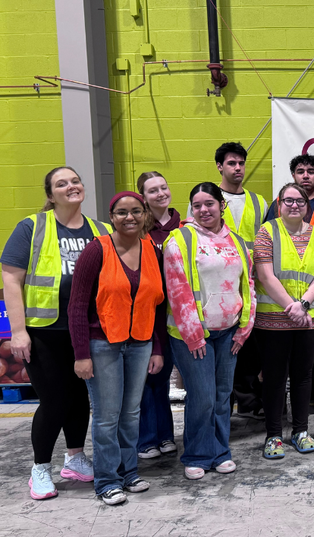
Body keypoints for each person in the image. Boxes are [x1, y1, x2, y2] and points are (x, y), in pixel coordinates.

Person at [1, 167, 112, 500]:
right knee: (54, 400)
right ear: (50, 195)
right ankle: (39, 469)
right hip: (44, 332)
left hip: (85, 331)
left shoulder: (100, 230)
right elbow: (11, 279)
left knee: (80, 399)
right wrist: (18, 331)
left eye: (75, 181)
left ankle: (75, 458)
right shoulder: (32, 227)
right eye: (62, 184)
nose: (71, 186)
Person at [68, 192, 166, 505]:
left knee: (131, 414)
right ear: (112, 216)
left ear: (145, 215)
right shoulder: (96, 250)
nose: (130, 217)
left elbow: (158, 306)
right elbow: (77, 306)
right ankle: (106, 480)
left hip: (140, 343)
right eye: (122, 212)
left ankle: (129, 473)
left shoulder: (152, 249)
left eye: (136, 211)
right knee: (107, 416)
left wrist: (157, 348)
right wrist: (81, 354)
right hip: (103, 344)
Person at [165, 182, 256, 478]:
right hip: (193, 336)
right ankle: (197, 454)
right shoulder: (180, 239)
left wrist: (244, 328)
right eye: (198, 205)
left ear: (222, 206)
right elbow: (178, 291)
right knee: (202, 396)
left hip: (229, 332)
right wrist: (193, 334)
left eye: (209, 204)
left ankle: (220, 451)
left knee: (221, 395)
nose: (204, 210)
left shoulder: (238, 242)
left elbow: (249, 286)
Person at [254, 182, 314, 458]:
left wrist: (305, 304)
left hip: (309, 318)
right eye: (288, 200)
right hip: (274, 319)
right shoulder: (267, 231)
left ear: (306, 205)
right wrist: (292, 307)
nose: (294, 205)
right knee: (274, 378)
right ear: (279, 203)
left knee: (302, 377)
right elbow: (265, 275)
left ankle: (301, 431)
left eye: (299, 201)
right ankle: (273, 435)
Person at [265, 154, 314, 422]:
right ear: (293, 175)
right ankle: (287, 397)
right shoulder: (276, 207)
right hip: (281, 296)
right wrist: (291, 302)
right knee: (283, 353)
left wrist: (310, 297)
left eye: (311, 171)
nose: (306, 175)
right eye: (300, 171)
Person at [197, 143, 268, 421]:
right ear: (219, 167)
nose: (237, 168)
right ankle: (222, 408)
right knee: (222, 351)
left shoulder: (259, 202)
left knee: (248, 348)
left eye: (241, 163)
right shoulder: (206, 199)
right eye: (231, 164)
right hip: (217, 287)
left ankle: (249, 402)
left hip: (250, 285)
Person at [135, 171, 180, 460]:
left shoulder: (184, 226)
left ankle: (166, 435)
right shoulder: (139, 229)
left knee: (163, 376)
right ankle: (146, 439)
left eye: (164, 187)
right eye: (153, 190)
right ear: (143, 197)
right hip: (147, 310)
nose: (160, 193)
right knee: (145, 376)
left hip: (176, 311)